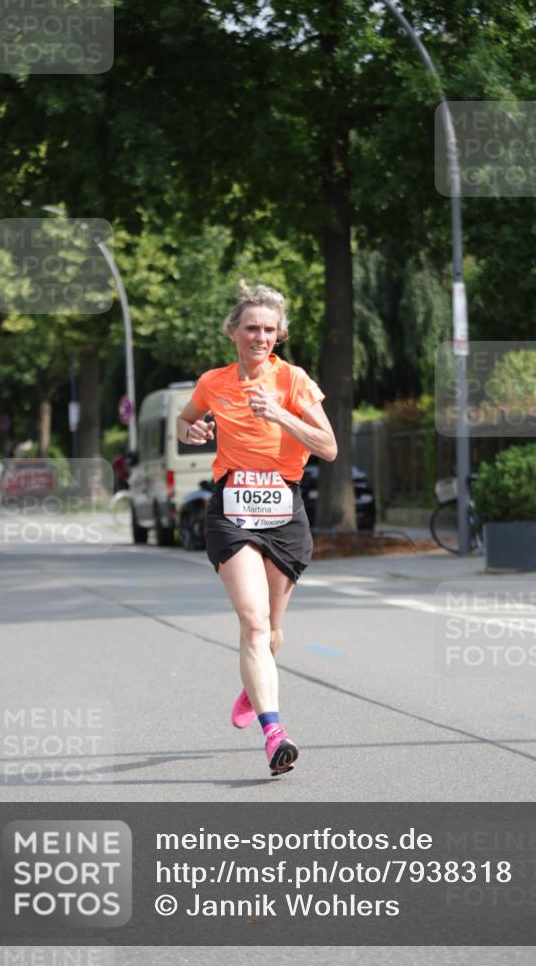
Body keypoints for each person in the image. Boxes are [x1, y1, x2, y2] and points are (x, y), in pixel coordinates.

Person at [177, 282, 337, 776]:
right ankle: (275, 734)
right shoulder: (213, 382)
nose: (260, 337)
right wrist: (195, 431)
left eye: (269, 330)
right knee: (253, 623)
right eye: (252, 328)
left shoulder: (294, 381)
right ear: (233, 332)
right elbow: (185, 422)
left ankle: (253, 686)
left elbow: (328, 447)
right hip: (231, 508)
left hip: (283, 510)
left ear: (279, 335)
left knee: (272, 629)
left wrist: (282, 414)